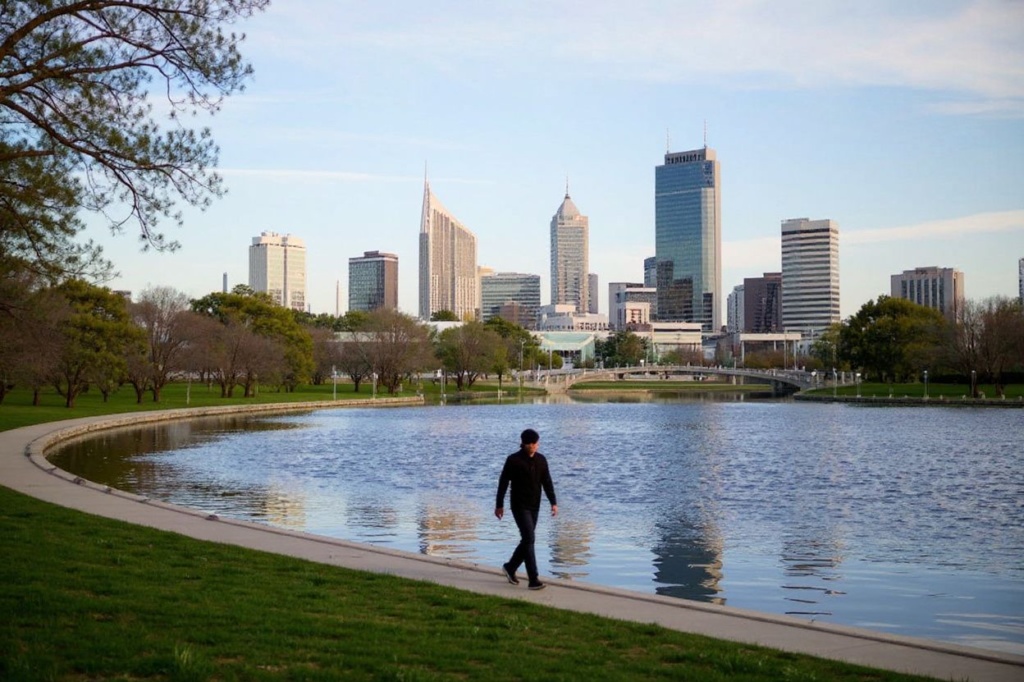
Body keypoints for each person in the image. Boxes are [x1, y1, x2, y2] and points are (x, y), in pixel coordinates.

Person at [495, 428, 558, 590]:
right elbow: (503, 483)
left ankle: (510, 567)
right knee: (529, 538)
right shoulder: (513, 460)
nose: (533, 446)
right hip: (519, 505)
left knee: (528, 540)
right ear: (523, 444)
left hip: (534, 505)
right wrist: (499, 505)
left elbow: (547, 482)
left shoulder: (541, 460)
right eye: (530, 444)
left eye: (536, 443)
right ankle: (533, 579)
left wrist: (553, 502)